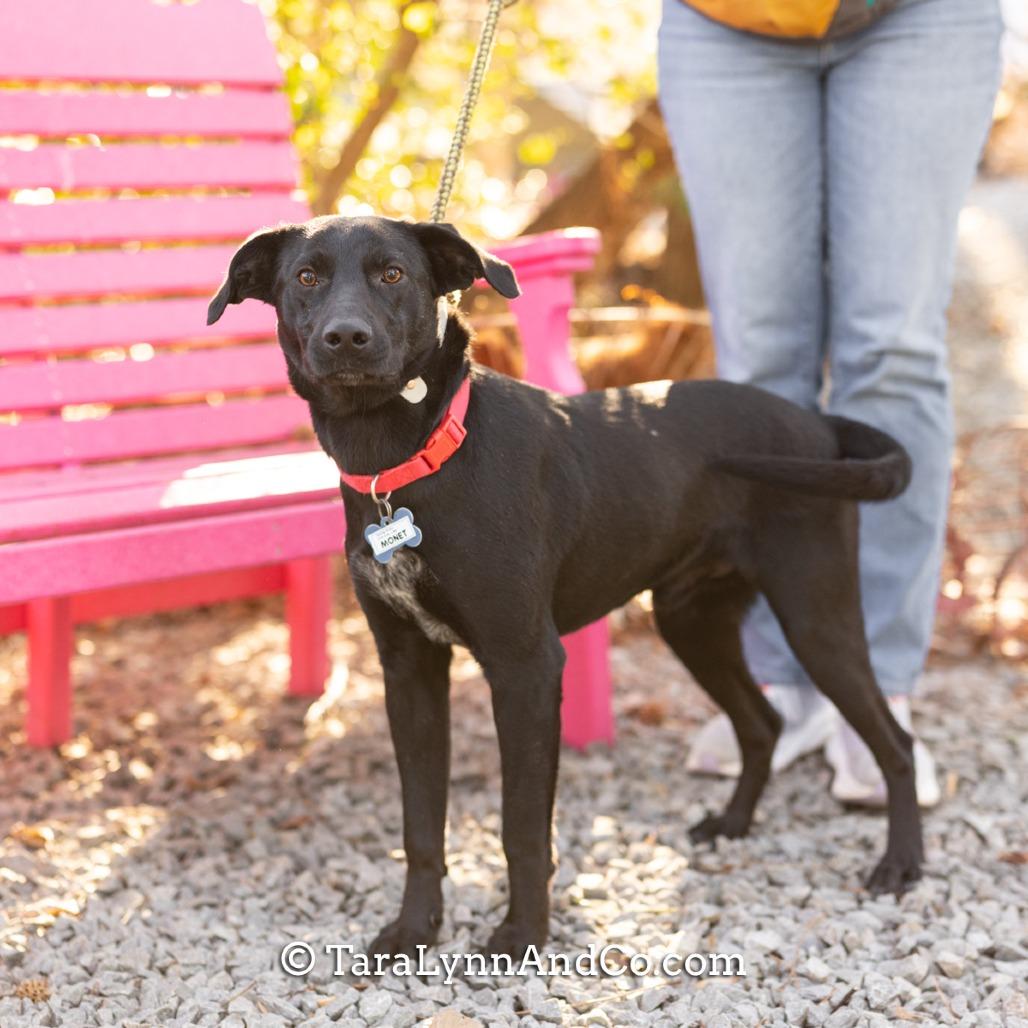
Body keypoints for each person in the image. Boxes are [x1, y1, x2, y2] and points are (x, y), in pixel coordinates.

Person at [657, 0, 1004, 806]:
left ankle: (874, 685)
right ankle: (781, 676)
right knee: (758, 361)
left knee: (893, 351)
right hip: (724, 24)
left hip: (923, 20)